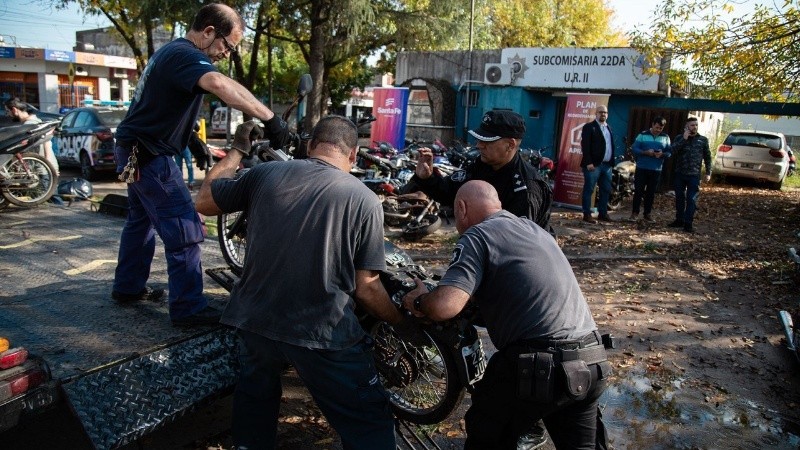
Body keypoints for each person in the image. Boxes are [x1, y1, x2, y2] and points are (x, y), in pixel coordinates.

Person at [195, 115, 423, 449]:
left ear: (310, 145)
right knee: (368, 422)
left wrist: (236, 151)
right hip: (321, 332)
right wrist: (399, 321)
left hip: (254, 321)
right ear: (354, 155)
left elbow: (203, 202)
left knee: (255, 403)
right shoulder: (363, 200)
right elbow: (367, 287)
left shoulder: (264, 174)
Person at [110, 3, 293, 327]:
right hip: (150, 157)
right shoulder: (184, 55)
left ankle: (127, 288)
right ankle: (188, 308)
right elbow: (221, 85)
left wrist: (190, 140)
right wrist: (271, 118)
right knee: (186, 229)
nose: (226, 53)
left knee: (140, 222)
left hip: (135, 151)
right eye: (227, 45)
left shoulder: (170, 55)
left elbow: (159, 107)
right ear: (209, 31)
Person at [402, 180, 612, 450]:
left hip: (540, 364)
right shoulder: (534, 230)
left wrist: (419, 301)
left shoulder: (478, 235)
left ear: (462, 208)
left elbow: (446, 306)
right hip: (592, 359)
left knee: (486, 431)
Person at [410, 110, 553, 234]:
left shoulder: (526, 187)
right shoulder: (482, 166)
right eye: (479, 139)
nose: (479, 145)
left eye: (487, 141)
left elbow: (518, 241)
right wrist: (427, 178)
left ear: (510, 145)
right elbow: (449, 192)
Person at [669, 116, 712, 233]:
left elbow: (707, 157)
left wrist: (708, 172)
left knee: (691, 199)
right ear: (686, 127)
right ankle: (679, 220)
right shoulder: (679, 138)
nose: (695, 127)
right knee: (679, 198)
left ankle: (688, 223)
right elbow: (672, 151)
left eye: (696, 125)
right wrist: (684, 139)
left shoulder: (702, 140)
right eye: (692, 125)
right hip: (680, 173)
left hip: (694, 174)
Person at [629, 116, 671, 222]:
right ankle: (634, 213)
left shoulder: (666, 137)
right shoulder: (642, 135)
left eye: (660, 128)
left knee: (651, 192)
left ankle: (647, 214)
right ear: (652, 124)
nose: (658, 130)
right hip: (642, 167)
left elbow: (669, 152)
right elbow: (634, 148)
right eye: (657, 127)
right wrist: (645, 152)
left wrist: (662, 154)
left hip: (656, 169)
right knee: (638, 191)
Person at [4, 97, 59, 175]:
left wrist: (48, 166)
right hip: (44, 169)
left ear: (14, 110)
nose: (8, 115)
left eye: (7, 111)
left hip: (43, 171)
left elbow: (47, 143)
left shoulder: (30, 125)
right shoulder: (34, 122)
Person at [580, 105, 614, 224]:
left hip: (607, 166)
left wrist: (611, 163)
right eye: (600, 112)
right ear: (596, 114)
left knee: (606, 190)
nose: (603, 114)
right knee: (589, 189)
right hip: (593, 165)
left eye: (605, 112)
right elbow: (585, 146)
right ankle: (587, 214)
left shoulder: (609, 127)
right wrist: (589, 162)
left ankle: (603, 214)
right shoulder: (589, 127)